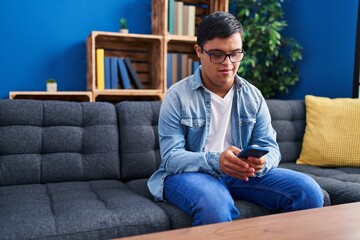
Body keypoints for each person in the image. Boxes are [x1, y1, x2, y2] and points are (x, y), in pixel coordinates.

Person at [148, 11, 323, 226]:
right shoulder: (177, 96)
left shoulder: (253, 96)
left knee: (309, 191)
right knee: (214, 204)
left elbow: (271, 147)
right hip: (189, 174)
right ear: (199, 52)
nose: (228, 63)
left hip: (240, 174)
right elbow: (171, 158)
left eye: (235, 53)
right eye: (217, 54)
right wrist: (216, 161)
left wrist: (262, 162)